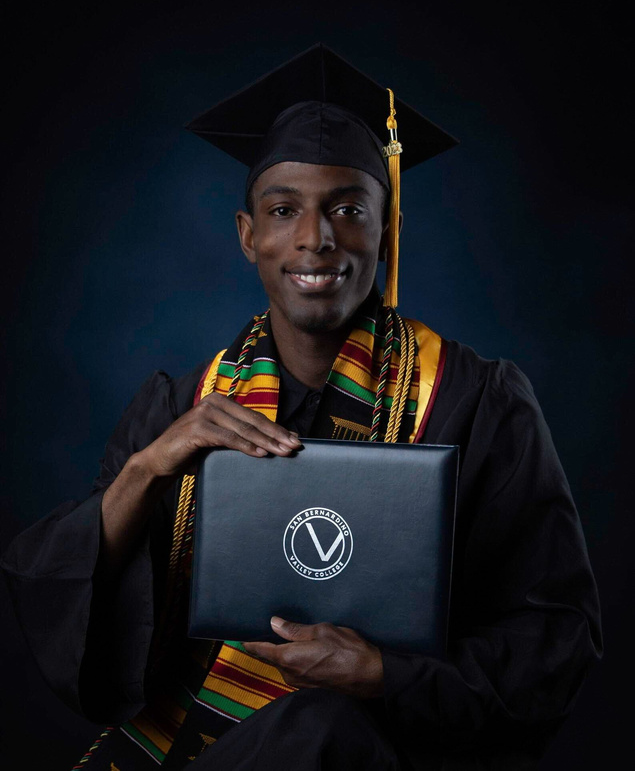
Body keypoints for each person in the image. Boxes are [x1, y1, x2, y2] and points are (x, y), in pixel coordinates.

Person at [1, 44, 601, 771]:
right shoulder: (184, 404)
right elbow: (65, 600)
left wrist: (385, 675)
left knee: (321, 727)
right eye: (283, 210)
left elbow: (555, 634)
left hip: (369, 750)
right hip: (197, 742)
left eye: (348, 210)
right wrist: (147, 470)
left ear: (387, 231)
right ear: (248, 235)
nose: (316, 238)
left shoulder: (474, 402)